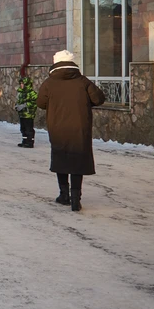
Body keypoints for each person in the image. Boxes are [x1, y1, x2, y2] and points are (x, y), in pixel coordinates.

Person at [37, 50, 105, 211]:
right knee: (77, 161)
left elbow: (41, 103)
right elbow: (99, 99)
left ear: (56, 63)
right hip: (79, 128)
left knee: (61, 159)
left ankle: (64, 195)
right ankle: (76, 198)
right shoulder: (83, 81)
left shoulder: (49, 83)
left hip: (58, 128)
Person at [14, 76, 38, 148]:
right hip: (22, 114)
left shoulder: (32, 93)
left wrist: (25, 105)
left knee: (29, 128)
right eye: (20, 83)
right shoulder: (21, 93)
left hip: (29, 114)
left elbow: (35, 103)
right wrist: (17, 106)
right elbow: (18, 101)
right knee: (23, 128)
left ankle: (30, 142)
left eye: (23, 84)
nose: (21, 85)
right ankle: (24, 141)